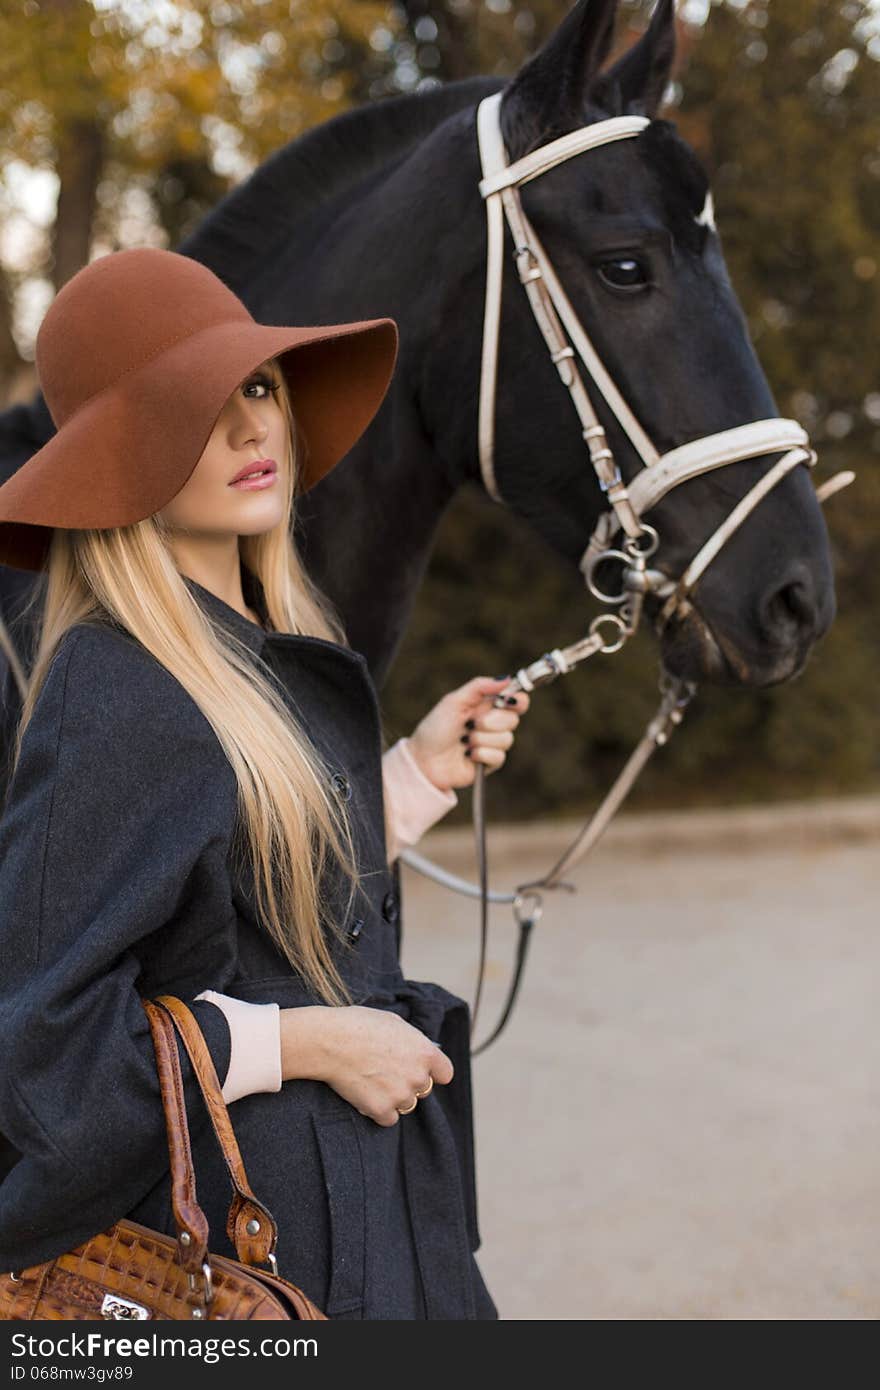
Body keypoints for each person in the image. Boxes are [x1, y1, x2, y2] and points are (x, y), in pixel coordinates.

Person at [0, 248, 530, 1320]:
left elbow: (243, 888)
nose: (253, 427)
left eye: (258, 386)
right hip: (258, 1265)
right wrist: (305, 1041)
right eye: (199, 403)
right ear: (123, 457)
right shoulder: (116, 689)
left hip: (378, 1231)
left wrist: (414, 776)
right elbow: (45, 1051)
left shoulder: (256, 643)